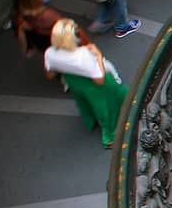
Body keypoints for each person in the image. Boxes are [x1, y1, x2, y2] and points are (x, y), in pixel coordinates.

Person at [44, 18, 127, 148]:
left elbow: (50, 74)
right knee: (107, 105)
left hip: (74, 81)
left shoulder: (49, 53)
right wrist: (98, 55)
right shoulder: (82, 55)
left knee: (86, 102)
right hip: (92, 84)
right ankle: (110, 137)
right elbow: (99, 80)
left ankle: (91, 120)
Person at [13, 0, 85, 69]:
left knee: (53, 56)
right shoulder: (49, 15)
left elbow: (23, 29)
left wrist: (26, 48)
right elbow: (66, 28)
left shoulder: (22, 14)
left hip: (40, 40)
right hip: (56, 39)